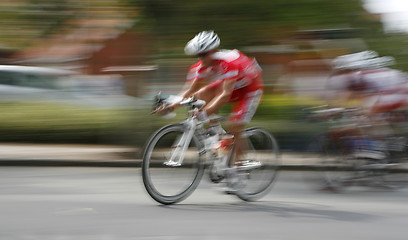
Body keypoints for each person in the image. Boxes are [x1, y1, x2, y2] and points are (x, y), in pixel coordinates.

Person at [155, 30, 264, 173]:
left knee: (235, 124)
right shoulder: (200, 67)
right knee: (199, 94)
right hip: (233, 86)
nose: (202, 59)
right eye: (198, 56)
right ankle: (217, 132)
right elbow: (188, 92)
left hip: (251, 88)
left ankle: (241, 163)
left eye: (204, 54)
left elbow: (225, 94)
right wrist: (170, 107)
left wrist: (205, 114)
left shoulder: (228, 62)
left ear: (214, 50)